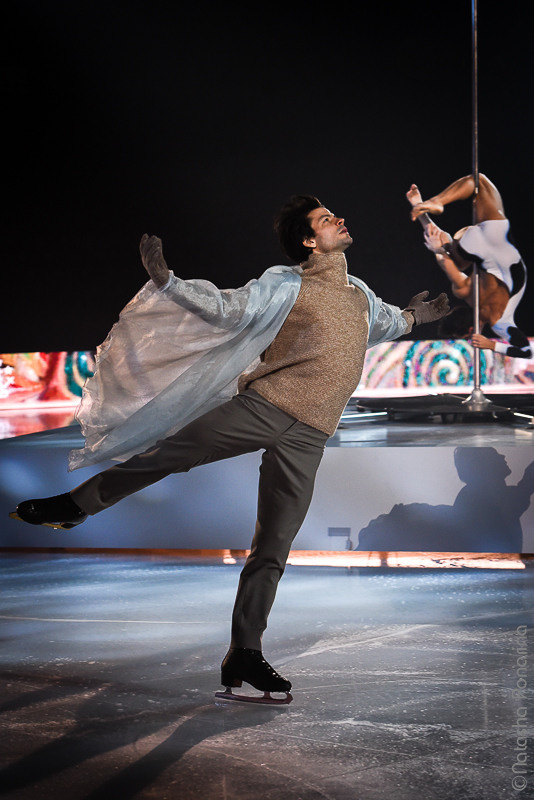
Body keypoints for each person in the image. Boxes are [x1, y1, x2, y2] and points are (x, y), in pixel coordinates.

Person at [10, 195, 449, 703]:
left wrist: (416, 318)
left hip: (311, 436)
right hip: (262, 408)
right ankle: (75, 505)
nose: (340, 220)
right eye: (327, 219)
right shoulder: (286, 282)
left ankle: (245, 651)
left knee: (273, 546)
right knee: (169, 454)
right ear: (310, 240)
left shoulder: (359, 294)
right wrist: (168, 283)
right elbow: (228, 307)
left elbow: (385, 324)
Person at [406, 174, 531, 359]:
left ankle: (429, 207)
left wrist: (492, 345)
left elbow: (527, 352)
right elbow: (443, 259)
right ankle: (433, 203)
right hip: (478, 241)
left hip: (488, 240)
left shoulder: (500, 322)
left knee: (449, 255)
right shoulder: (464, 293)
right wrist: (436, 249)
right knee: (478, 181)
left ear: (471, 329)